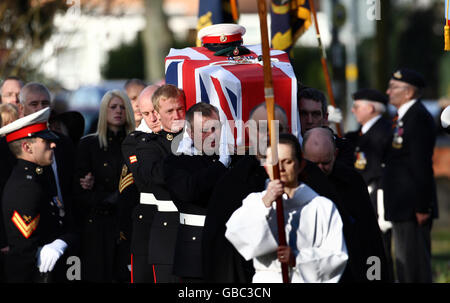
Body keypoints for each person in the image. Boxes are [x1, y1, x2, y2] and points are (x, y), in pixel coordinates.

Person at [202, 102, 341, 283]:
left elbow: (334, 245)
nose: (270, 134)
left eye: (278, 128)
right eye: (262, 128)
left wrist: (298, 258)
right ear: (250, 132)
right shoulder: (232, 182)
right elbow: (222, 249)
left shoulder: (312, 178)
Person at [225, 133, 348, 283]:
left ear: (300, 164)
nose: (280, 169)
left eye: (287, 161)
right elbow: (237, 234)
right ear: (266, 166)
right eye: (274, 162)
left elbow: (336, 255)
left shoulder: (321, 206)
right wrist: (266, 203)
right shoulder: (255, 202)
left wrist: (298, 259)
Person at [0, 108, 77, 282]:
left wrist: (62, 241)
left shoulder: (39, 178)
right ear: (27, 147)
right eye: (46, 141)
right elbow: (24, 254)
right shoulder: (26, 188)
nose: (54, 144)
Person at [302, 127, 390, 282]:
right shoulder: (297, 184)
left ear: (335, 154)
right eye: (315, 164)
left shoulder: (351, 181)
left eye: (326, 162)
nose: (321, 169)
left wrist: (374, 276)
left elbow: (370, 237)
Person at [121, 84, 185, 283]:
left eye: (155, 112)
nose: (153, 118)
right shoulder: (137, 142)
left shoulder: (176, 137)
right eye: (146, 113)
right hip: (149, 219)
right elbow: (148, 178)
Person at [163, 102, 231, 282]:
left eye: (215, 128)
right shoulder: (177, 161)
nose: (212, 135)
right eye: (204, 130)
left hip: (228, 247)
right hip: (195, 247)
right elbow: (189, 191)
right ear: (191, 134)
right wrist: (221, 166)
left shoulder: (232, 157)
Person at [73, 89, 135, 282]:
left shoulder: (135, 143)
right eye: (113, 107)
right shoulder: (88, 145)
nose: (118, 111)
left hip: (128, 222)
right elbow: (79, 188)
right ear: (104, 110)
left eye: (123, 107)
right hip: (98, 225)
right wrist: (101, 200)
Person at [383, 68, 438, 283]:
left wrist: (422, 206)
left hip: (413, 206)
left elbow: (420, 163)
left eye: (393, 87)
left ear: (408, 93)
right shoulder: (403, 117)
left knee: (415, 266)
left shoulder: (419, 118)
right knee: (405, 265)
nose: (388, 92)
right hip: (401, 204)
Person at [345, 88, 394, 281]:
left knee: (378, 245)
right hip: (365, 192)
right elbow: (352, 141)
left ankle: (379, 278)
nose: (353, 110)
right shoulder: (364, 131)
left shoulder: (383, 130)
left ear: (371, 108)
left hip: (377, 193)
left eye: (356, 107)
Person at [297, 86, 354, 167]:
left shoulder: (343, 149)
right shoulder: (290, 148)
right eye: (303, 114)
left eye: (315, 114)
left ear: (325, 118)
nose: (309, 121)